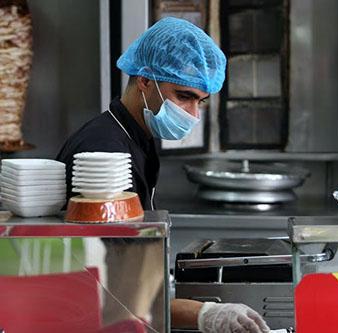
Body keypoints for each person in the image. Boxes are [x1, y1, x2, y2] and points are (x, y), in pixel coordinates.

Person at [56, 17, 270, 333]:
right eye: (183, 96)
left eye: (201, 102)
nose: (192, 114)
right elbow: (114, 292)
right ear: (144, 79)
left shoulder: (135, 136)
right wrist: (204, 313)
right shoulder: (105, 152)